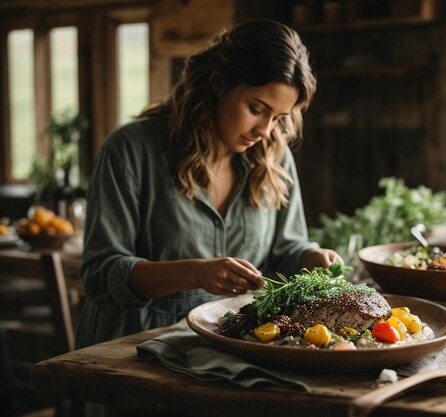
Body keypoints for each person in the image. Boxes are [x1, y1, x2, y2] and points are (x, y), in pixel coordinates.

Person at [75, 19, 342, 352]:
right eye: (256, 109)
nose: (265, 129)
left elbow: (284, 251)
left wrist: (309, 256)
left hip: (228, 351)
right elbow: (100, 276)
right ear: (218, 83)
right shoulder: (131, 149)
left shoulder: (275, 157)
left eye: (278, 117)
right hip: (129, 351)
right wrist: (193, 273)